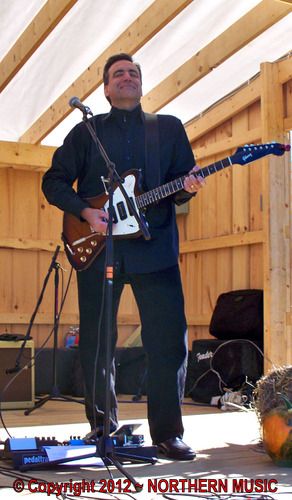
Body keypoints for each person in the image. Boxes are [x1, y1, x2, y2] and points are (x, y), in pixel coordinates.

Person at [42, 53, 205, 460]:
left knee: (168, 342)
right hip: (100, 250)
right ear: (106, 89)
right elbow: (53, 180)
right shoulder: (87, 132)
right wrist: (85, 212)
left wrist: (188, 186)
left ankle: (168, 433)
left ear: (140, 84)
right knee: (98, 342)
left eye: (134, 72)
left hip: (157, 249)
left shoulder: (167, 129)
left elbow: (181, 184)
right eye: (119, 74)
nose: (128, 77)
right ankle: (102, 429)